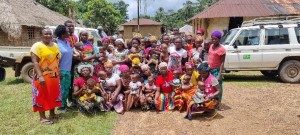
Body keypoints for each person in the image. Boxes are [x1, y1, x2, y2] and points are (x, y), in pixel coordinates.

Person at [31, 28, 62, 125]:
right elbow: (35, 62)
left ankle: (52, 114)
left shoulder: (55, 45)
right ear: (41, 35)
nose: (48, 35)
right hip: (42, 75)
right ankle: (42, 117)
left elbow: (57, 59)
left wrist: (58, 72)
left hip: (54, 75)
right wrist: (40, 76)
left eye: (50, 34)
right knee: (42, 95)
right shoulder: (37, 46)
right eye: (46, 34)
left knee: (53, 94)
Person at [55, 25, 73, 113]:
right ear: (62, 34)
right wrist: (58, 71)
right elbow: (55, 59)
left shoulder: (67, 42)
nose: (69, 32)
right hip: (61, 70)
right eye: (67, 31)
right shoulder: (56, 43)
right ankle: (61, 106)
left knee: (66, 88)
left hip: (68, 70)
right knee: (62, 89)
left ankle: (64, 104)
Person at [209, 30, 226, 110]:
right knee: (211, 87)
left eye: (215, 39)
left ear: (219, 39)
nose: (213, 40)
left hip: (216, 70)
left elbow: (222, 63)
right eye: (212, 39)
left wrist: (219, 74)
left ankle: (218, 104)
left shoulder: (222, 49)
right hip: (210, 69)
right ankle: (212, 103)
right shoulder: (211, 46)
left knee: (218, 87)